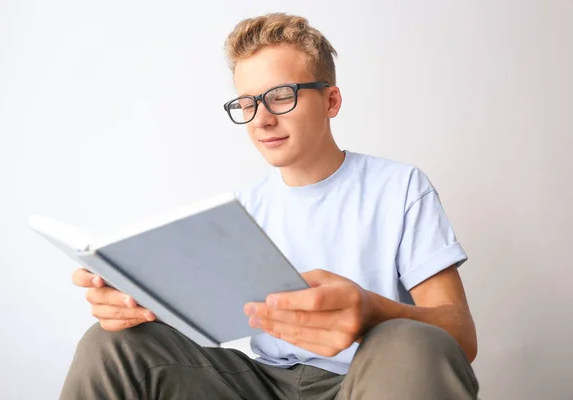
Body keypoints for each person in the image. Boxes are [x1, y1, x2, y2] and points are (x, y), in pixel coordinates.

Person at [61, 13, 479, 399]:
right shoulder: (242, 209)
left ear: (331, 101)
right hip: (262, 385)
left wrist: (373, 312)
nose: (261, 119)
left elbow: (460, 335)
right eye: (247, 103)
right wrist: (133, 305)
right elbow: (201, 320)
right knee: (112, 342)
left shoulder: (400, 187)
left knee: (414, 340)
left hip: (368, 378)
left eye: (280, 96)